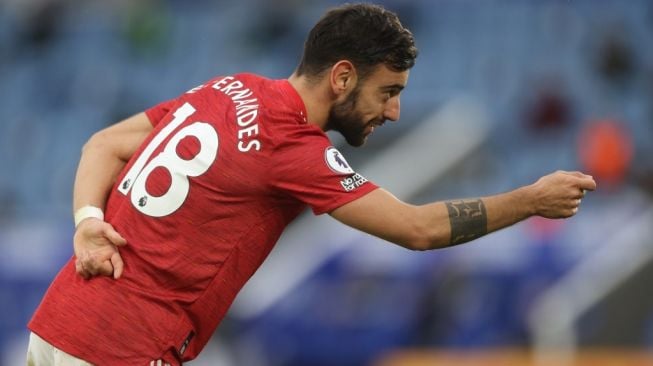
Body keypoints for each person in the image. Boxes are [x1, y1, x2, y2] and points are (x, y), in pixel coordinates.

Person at [27, 3, 596, 365]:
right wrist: (531, 200)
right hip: (124, 347)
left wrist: (87, 222)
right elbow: (418, 229)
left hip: (59, 324)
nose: (394, 112)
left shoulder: (230, 87)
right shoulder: (294, 148)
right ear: (343, 76)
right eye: (388, 91)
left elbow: (101, 143)